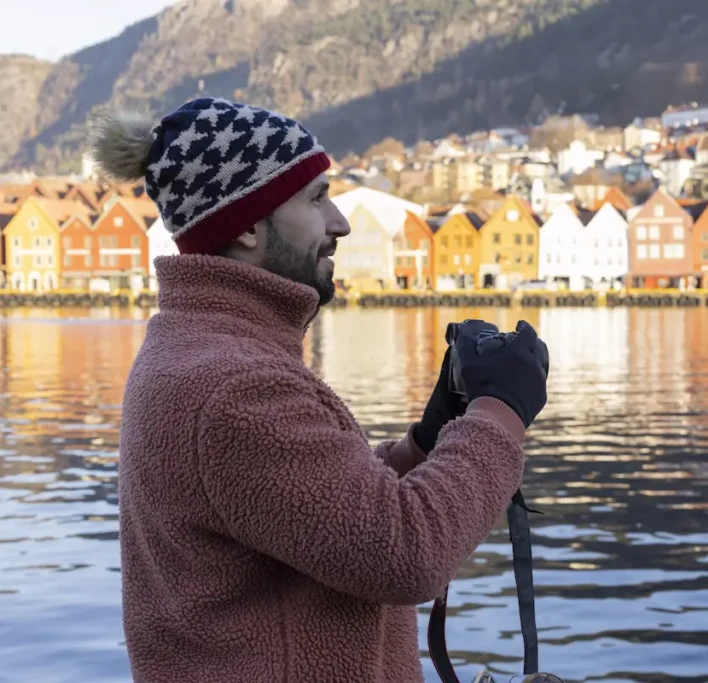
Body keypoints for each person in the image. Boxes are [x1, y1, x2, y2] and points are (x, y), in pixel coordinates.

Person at [90, 97, 550, 683]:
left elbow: (315, 510)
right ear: (248, 226)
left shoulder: (211, 353)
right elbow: (404, 555)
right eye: (315, 198)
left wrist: (425, 444)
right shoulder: (231, 387)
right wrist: (501, 414)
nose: (340, 221)